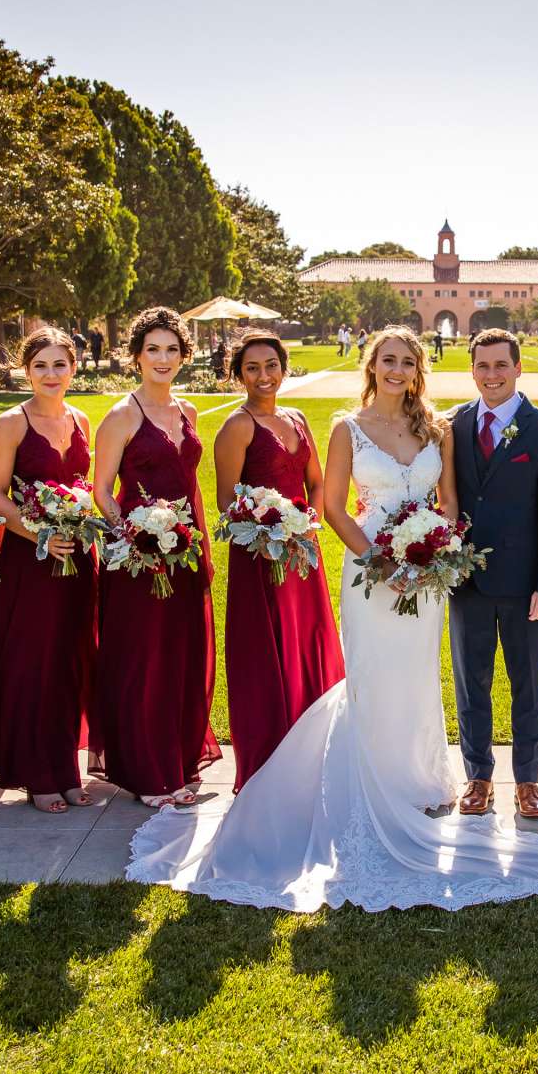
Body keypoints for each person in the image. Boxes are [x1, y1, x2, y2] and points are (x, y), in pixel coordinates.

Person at [126, 325, 538, 910]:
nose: (396, 370)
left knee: (418, 674)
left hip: (426, 569)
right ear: (371, 366)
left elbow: (449, 501)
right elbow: (329, 506)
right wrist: (380, 556)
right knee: (373, 674)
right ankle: (369, 779)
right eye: (387, 360)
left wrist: (436, 546)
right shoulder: (347, 429)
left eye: (407, 361)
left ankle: (419, 779)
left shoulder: (439, 429)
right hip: (370, 568)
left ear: (417, 369)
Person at [93, 306, 221, 805]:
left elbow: (191, 485)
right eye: (153, 350)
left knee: (183, 655)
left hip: (185, 553)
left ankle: (178, 758)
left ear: (185, 356)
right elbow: (102, 489)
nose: (163, 359)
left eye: (172, 350)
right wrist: (135, 536)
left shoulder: (188, 412)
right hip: (138, 559)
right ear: (136, 356)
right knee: (143, 658)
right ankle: (148, 772)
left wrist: (197, 542)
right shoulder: (121, 415)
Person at [446, 327, 538, 819]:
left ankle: (528, 781)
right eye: (483, 366)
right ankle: (478, 777)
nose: (492, 375)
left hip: (525, 588)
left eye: (501, 365)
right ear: (472, 370)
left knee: (528, 683)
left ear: (519, 368)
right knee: (470, 682)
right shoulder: (453, 427)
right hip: (467, 583)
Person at [212, 331, 344, 791]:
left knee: (306, 641)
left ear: (283, 369)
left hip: (300, 554)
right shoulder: (237, 427)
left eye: (271, 366)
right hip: (259, 558)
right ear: (238, 375)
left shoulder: (299, 419)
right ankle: (267, 756)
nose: (263, 376)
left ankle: (312, 748)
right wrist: (268, 525)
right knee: (265, 651)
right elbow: (226, 500)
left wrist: (308, 521)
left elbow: (317, 482)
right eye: (252, 368)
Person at [0, 326, 97, 813]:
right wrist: (40, 535)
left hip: (76, 559)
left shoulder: (82, 418)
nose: (51, 374)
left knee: (71, 661)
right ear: (25, 370)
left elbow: (83, 483)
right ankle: (37, 774)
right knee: (34, 663)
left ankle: (65, 768)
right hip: (30, 558)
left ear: (73, 367)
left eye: (59, 364)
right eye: (40, 366)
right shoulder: (11, 422)